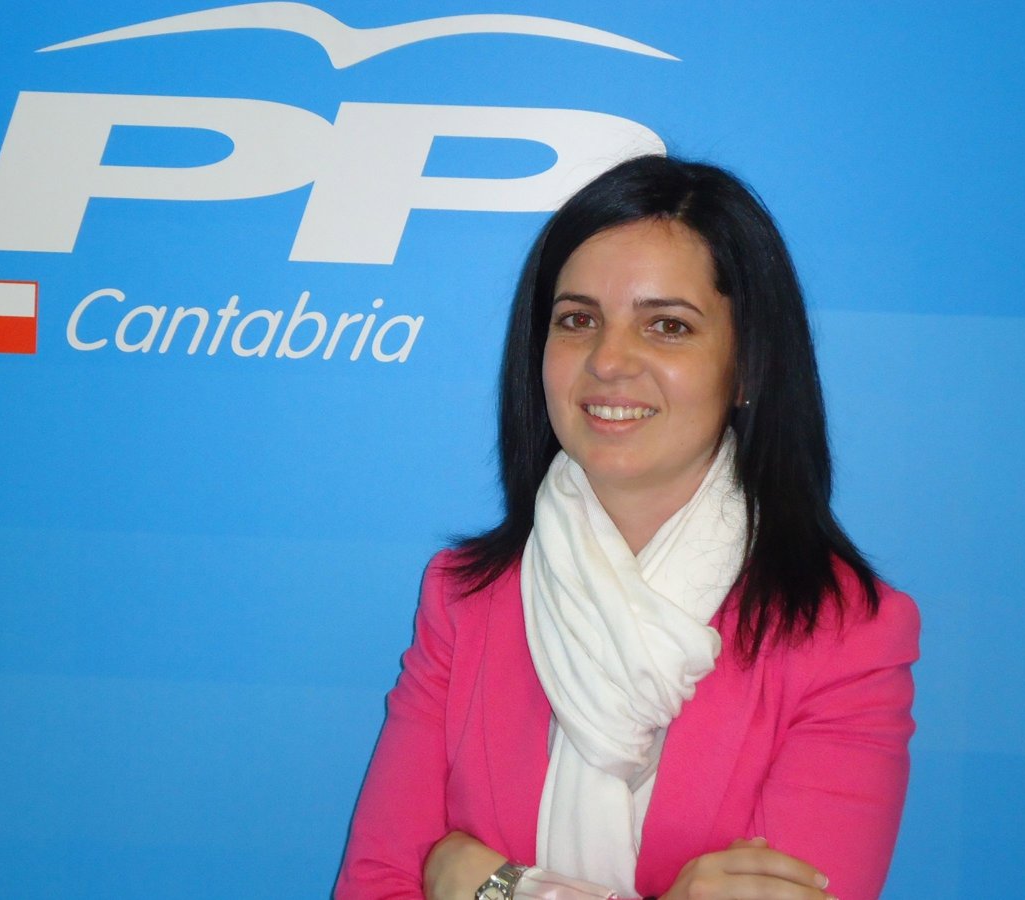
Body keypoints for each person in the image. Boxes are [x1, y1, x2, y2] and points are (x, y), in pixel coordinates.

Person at [335, 154, 919, 900]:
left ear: (747, 366)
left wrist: (494, 886)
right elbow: (375, 885)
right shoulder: (463, 601)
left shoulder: (846, 636)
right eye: (578, 320)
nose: (609, 361)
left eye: (667, 326)